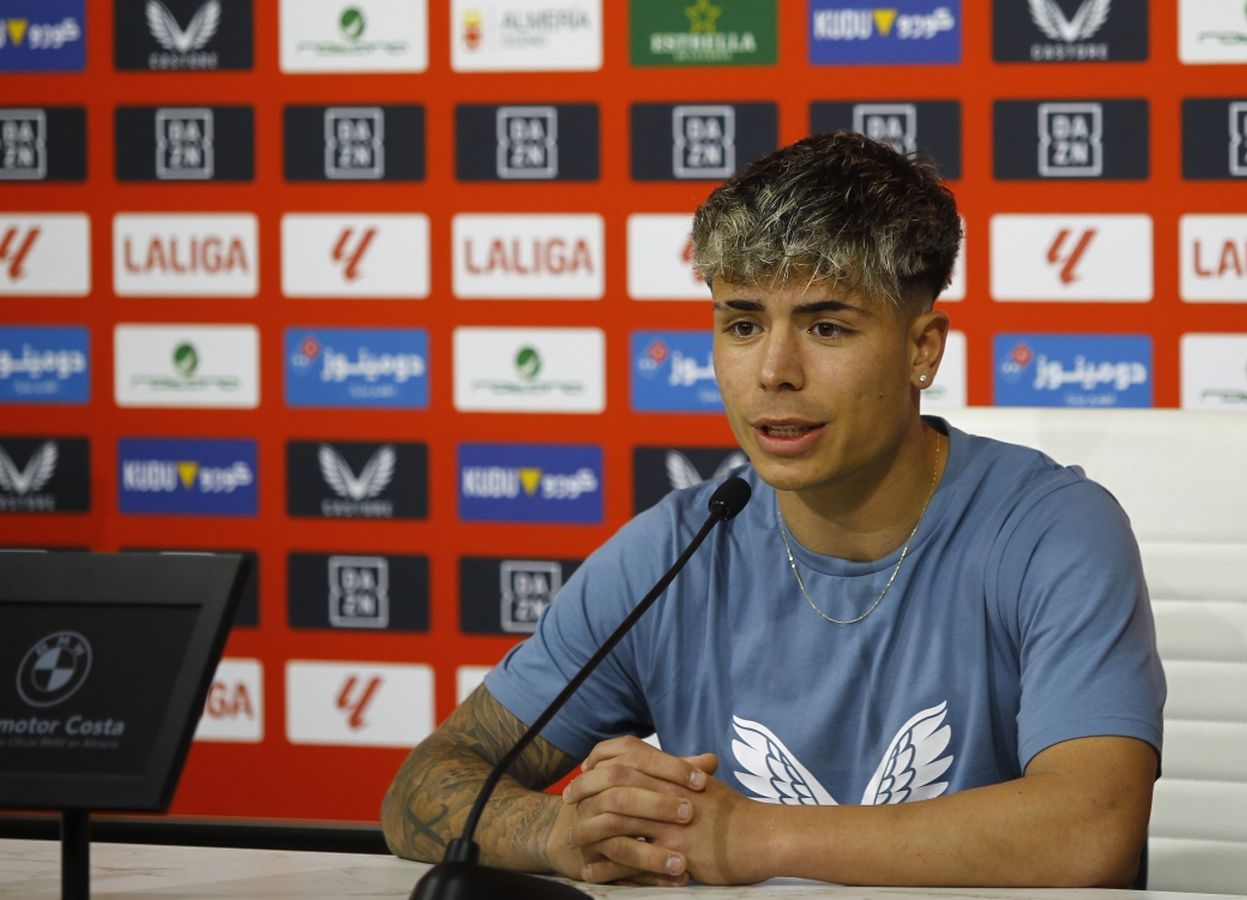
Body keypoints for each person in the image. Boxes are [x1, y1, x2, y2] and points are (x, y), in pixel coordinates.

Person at [382, 131, 1165, 888]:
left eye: (827, 326)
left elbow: (1090, 828)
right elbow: (423, 786)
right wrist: (560, 834)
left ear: (922, 349)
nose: (774, 371)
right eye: (743, 324)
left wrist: (751, 835)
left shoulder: (1051, 531)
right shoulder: (675, 552)